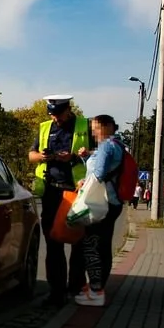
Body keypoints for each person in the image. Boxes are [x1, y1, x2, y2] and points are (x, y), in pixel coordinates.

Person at [28, 95, 92, 307]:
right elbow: (31, 156)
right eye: (52, 115)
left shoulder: (85, 126)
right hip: (51, 192)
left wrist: (74, 157)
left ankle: (75, 287)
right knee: (53, 242)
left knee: (78, 241)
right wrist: (43, 157)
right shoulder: (45, 127)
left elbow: (99, 155)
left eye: (58, 114)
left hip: (77, 192)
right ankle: (56, 292)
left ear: (68, 109)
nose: (55, 119)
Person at [74, 114, 126, 306]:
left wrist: (83, 182)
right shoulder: (117, 145)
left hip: (101, 203)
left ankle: (96, 292)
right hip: (112, 202)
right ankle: (98, 288)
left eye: (95, 128)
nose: (93, 132)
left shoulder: (106, 145)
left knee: (93, 246)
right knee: (103, 246)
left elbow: (100, 174)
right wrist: (87, 157)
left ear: (106, 127)